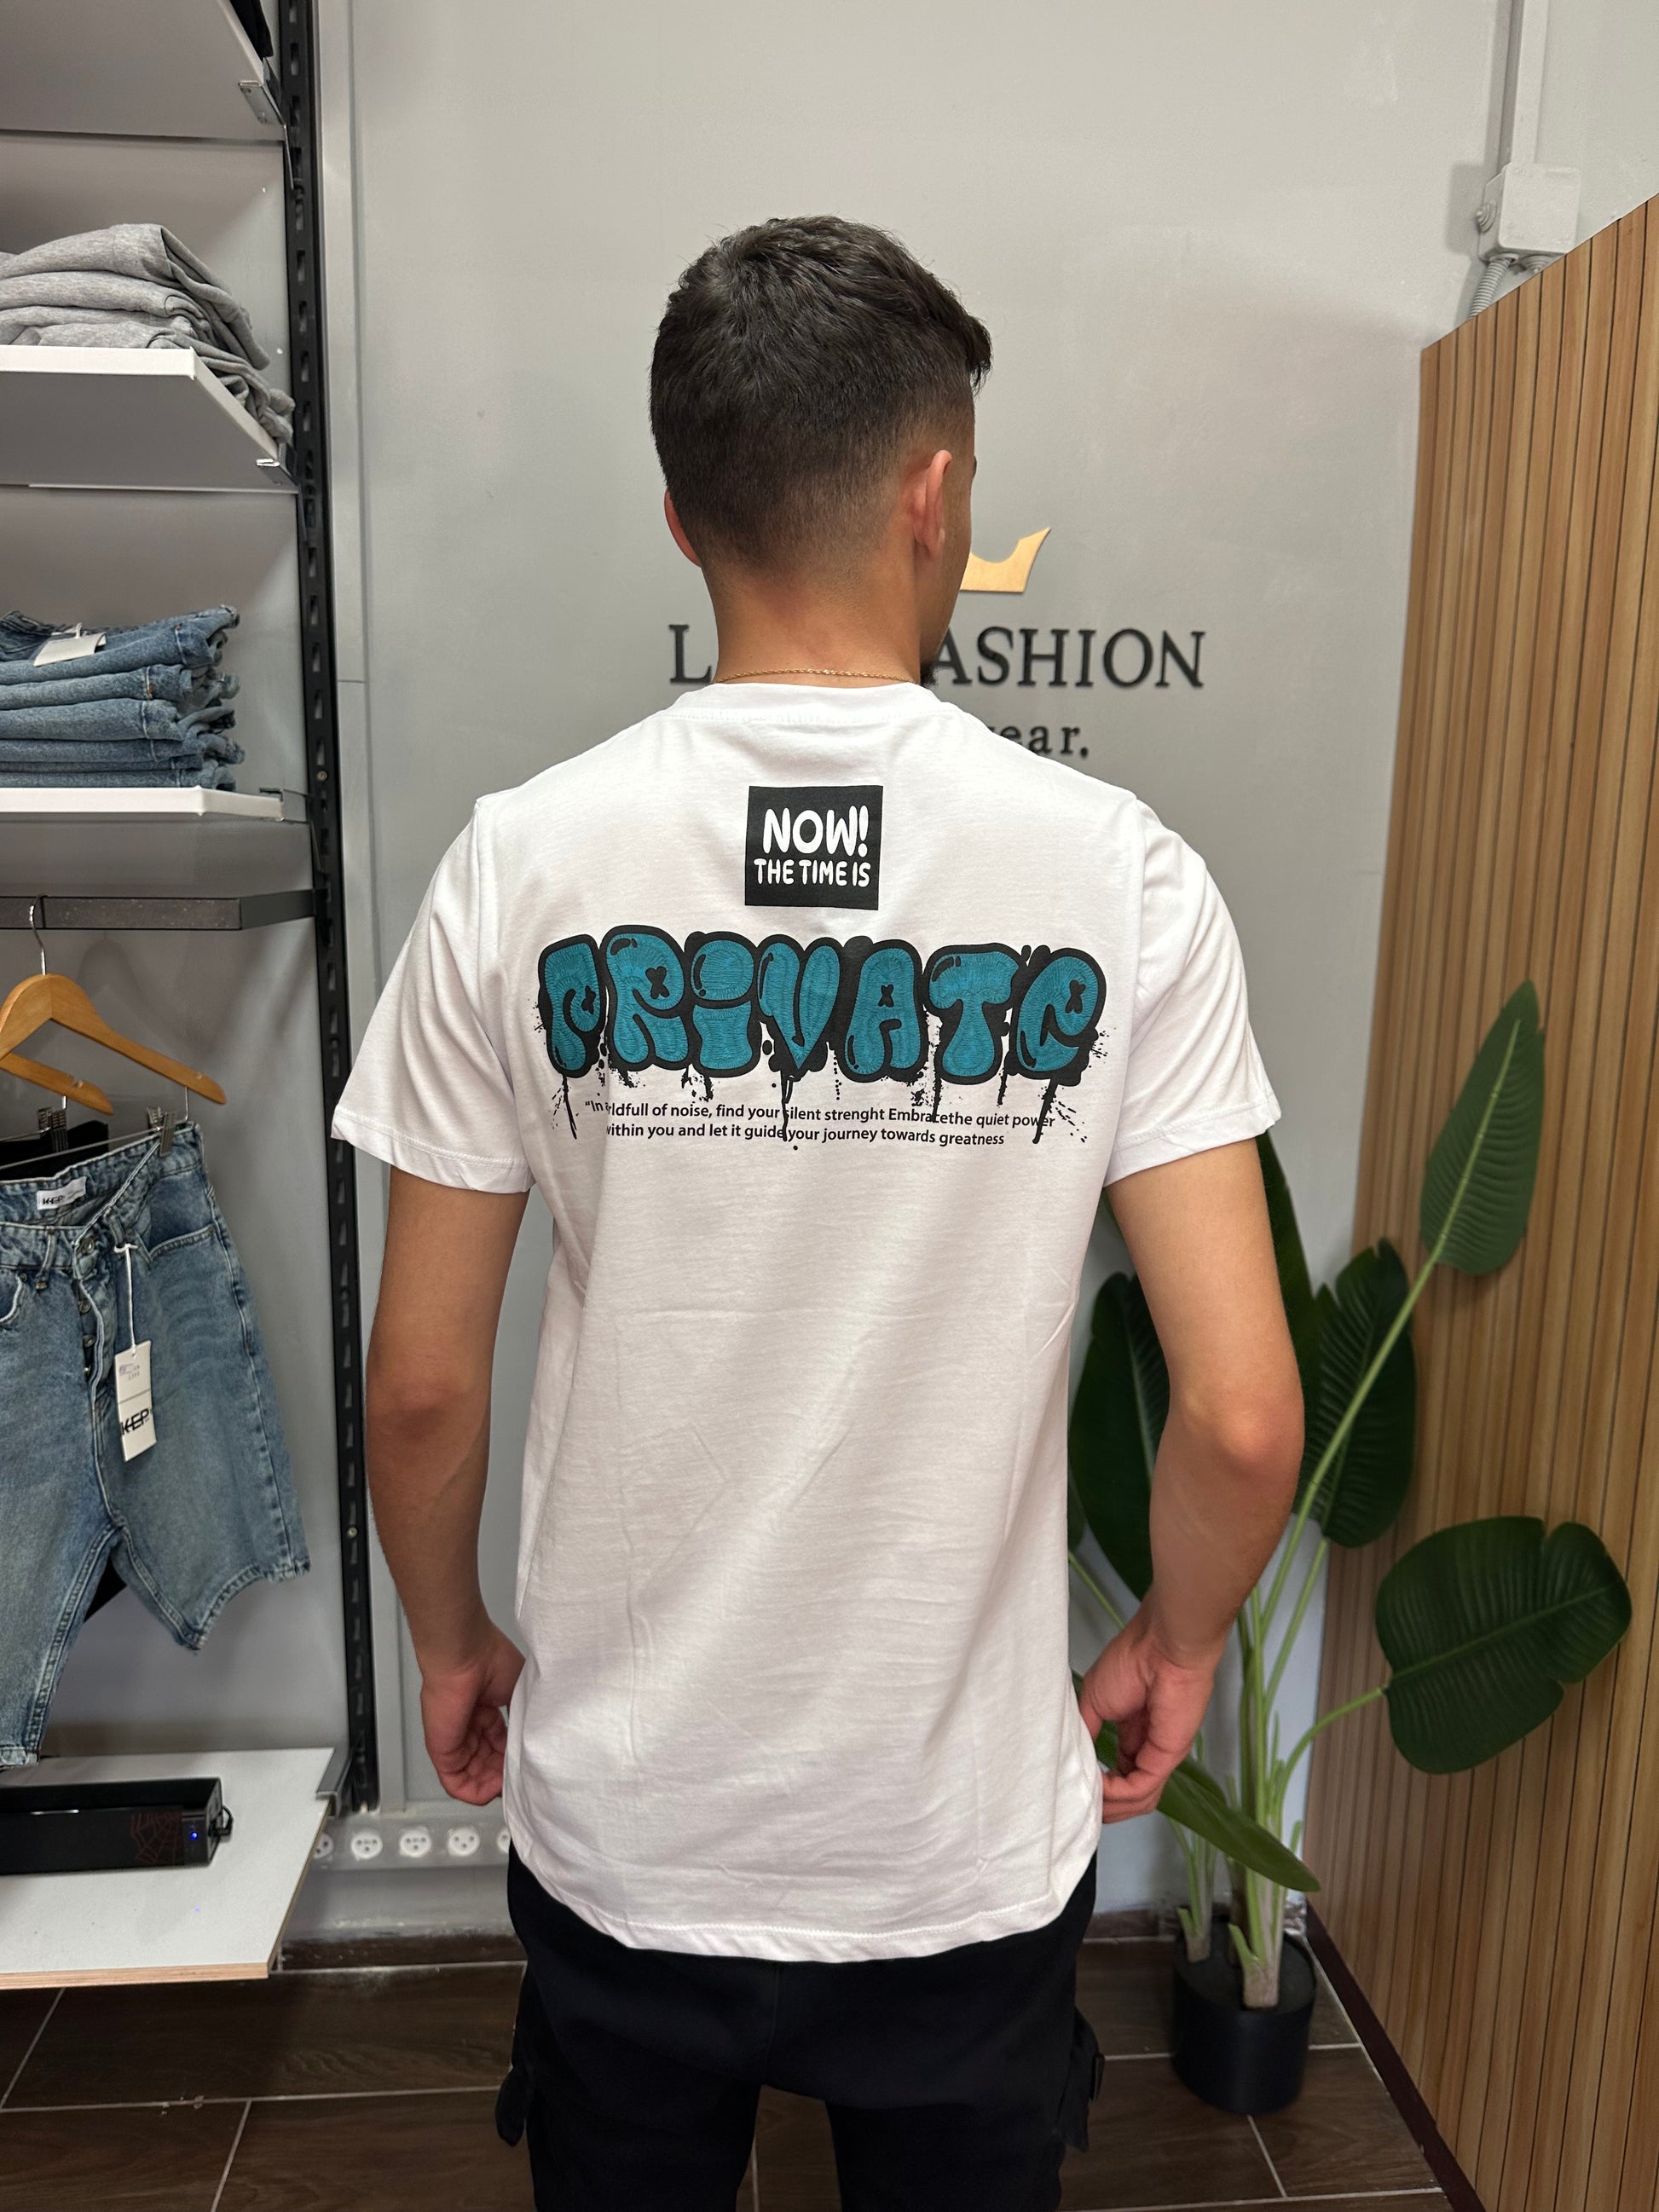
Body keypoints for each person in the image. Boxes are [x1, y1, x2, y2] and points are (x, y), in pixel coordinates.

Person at [333, 214, 1304, 2212]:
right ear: (933, 493)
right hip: (949, 1852)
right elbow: (1236, 1414)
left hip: (632, 1835)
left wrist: (448, 1638)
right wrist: (1179, 1638)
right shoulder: (1121, 878)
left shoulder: (519, 867)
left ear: (681, 517)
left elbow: (420, 1384)